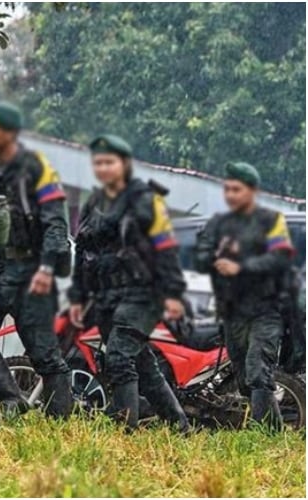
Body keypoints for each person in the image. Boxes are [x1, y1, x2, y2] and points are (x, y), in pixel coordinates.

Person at [67, 134, 190, 433]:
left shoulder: (145, 201)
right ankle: (179, 426)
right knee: (142, 363)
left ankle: (123, 429)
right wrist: (77, 296)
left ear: (124, 164)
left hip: (143, 293)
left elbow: (165, 248)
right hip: (107, 294)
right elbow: (83, 251)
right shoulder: (94, 202)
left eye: (109, 162)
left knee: (120, 356)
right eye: (98, 163)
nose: (103, 168)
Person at [0, 101, 74, 419]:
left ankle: (60, 419)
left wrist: (48, 267)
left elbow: (55, 221)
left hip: (31, 273)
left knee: (45, 355)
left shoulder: (36, 167)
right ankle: (11, 398)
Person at [194, 162, 295, 430]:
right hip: (233, 312)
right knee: (243, 378)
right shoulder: (218, 224)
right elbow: (202, 258)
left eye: (236, 189)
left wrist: (241, 265)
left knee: (258, 372)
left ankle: (267, 436)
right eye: (227, 189)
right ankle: (272, 427)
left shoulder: (271, 221)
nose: (230, 194)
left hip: (265, 311)